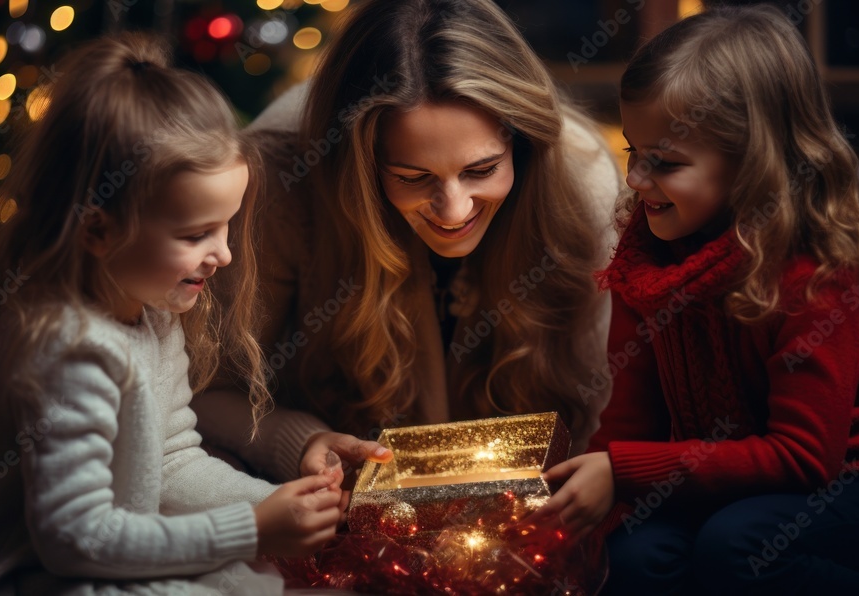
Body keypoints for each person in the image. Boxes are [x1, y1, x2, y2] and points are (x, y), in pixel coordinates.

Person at [0, 33, 343, 596]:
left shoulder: (152, 311)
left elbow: (174, 462)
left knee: (252, 579)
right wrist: (252, 528)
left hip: (77, 555)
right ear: (98, 229)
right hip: (0, 576)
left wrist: (291, 508)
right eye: (195, 234)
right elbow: (74, 538)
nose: (224, 254)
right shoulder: (67, 353)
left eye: (226, 224)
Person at [529, 6, 859, 595]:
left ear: (753, 164)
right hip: (731, 480)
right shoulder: (647, 259)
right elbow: (632, 418)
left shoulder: (813, 273)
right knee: (636, 553)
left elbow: (804, 459)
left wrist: (621, 472)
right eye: (633, 153)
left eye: (665, 163)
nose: (637, 182)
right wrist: (592, 500)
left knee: (739, 544)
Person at [194, 0, 622, 485]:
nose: (455, 210)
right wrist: (298, 440)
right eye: (413, 177)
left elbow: (601, 404)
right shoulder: (281, 184)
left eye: (482, 170)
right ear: (360, 166)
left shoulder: (579, 177)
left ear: (522, 146)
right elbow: (203, 394)